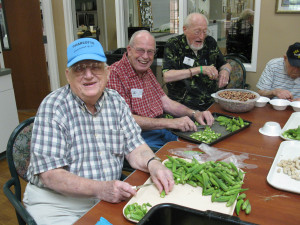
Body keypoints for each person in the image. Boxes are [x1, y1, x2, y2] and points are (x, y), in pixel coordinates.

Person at [23, 38, 174, 225]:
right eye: (79, 69)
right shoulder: (54, 106)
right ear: (67, 75)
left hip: (106, 198)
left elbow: (136, 147)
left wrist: (154, 164)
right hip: (58, 204)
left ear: (107, 72)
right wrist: (101, 189)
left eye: (95, 67)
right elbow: (51, 175)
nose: (88, 75)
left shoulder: (116, 101)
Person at [107, 30, 214, 151]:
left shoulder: (146, 71)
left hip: (160, 130)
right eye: (140, 50)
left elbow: (166, 102)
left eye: (150, 52)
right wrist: (170, 123)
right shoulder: (114, 74)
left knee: (201, 149)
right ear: (129, 50)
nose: (145, 56)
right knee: (183, 158)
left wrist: (195, 113)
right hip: (136, 138)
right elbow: (124, 119)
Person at [162, 13, 231, 111]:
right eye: (197, 32)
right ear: (185, 29)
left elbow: (225, 64)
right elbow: (167, 76)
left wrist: (225, 71)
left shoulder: (210, 42)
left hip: (210, 103)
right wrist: (200, 69)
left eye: (204, 31)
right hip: (183, 106)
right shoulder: (173, 45)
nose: (202, 37)